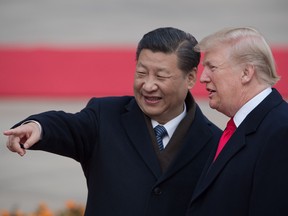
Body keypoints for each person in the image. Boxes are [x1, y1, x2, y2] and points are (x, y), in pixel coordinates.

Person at [3, 27, 222, 216]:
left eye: (161, 76)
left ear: (191, 77)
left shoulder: (215, 142)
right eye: (141, 73)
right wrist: (38, 127)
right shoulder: (106, 115)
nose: (148, 85)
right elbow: (69, 126)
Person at [186, 27, 288, 216]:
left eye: (212, 67)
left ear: (246, 73)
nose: (202, 77)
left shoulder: (281, 131)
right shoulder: (241, 127)